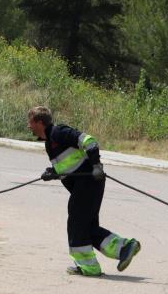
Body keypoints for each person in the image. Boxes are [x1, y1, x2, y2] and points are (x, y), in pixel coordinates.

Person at [28, 106, 140, 276]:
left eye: (30, 122)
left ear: (39, 122)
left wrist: (96, 165)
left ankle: (90, 267)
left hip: (88, 182)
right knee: (87, 227)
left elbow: (89, 141)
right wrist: (54, 173)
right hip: (85, 185)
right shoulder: (50, 142)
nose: (28, 126)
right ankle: (124, 248)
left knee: (76, 225)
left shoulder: (59, 132)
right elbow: (70, 165)